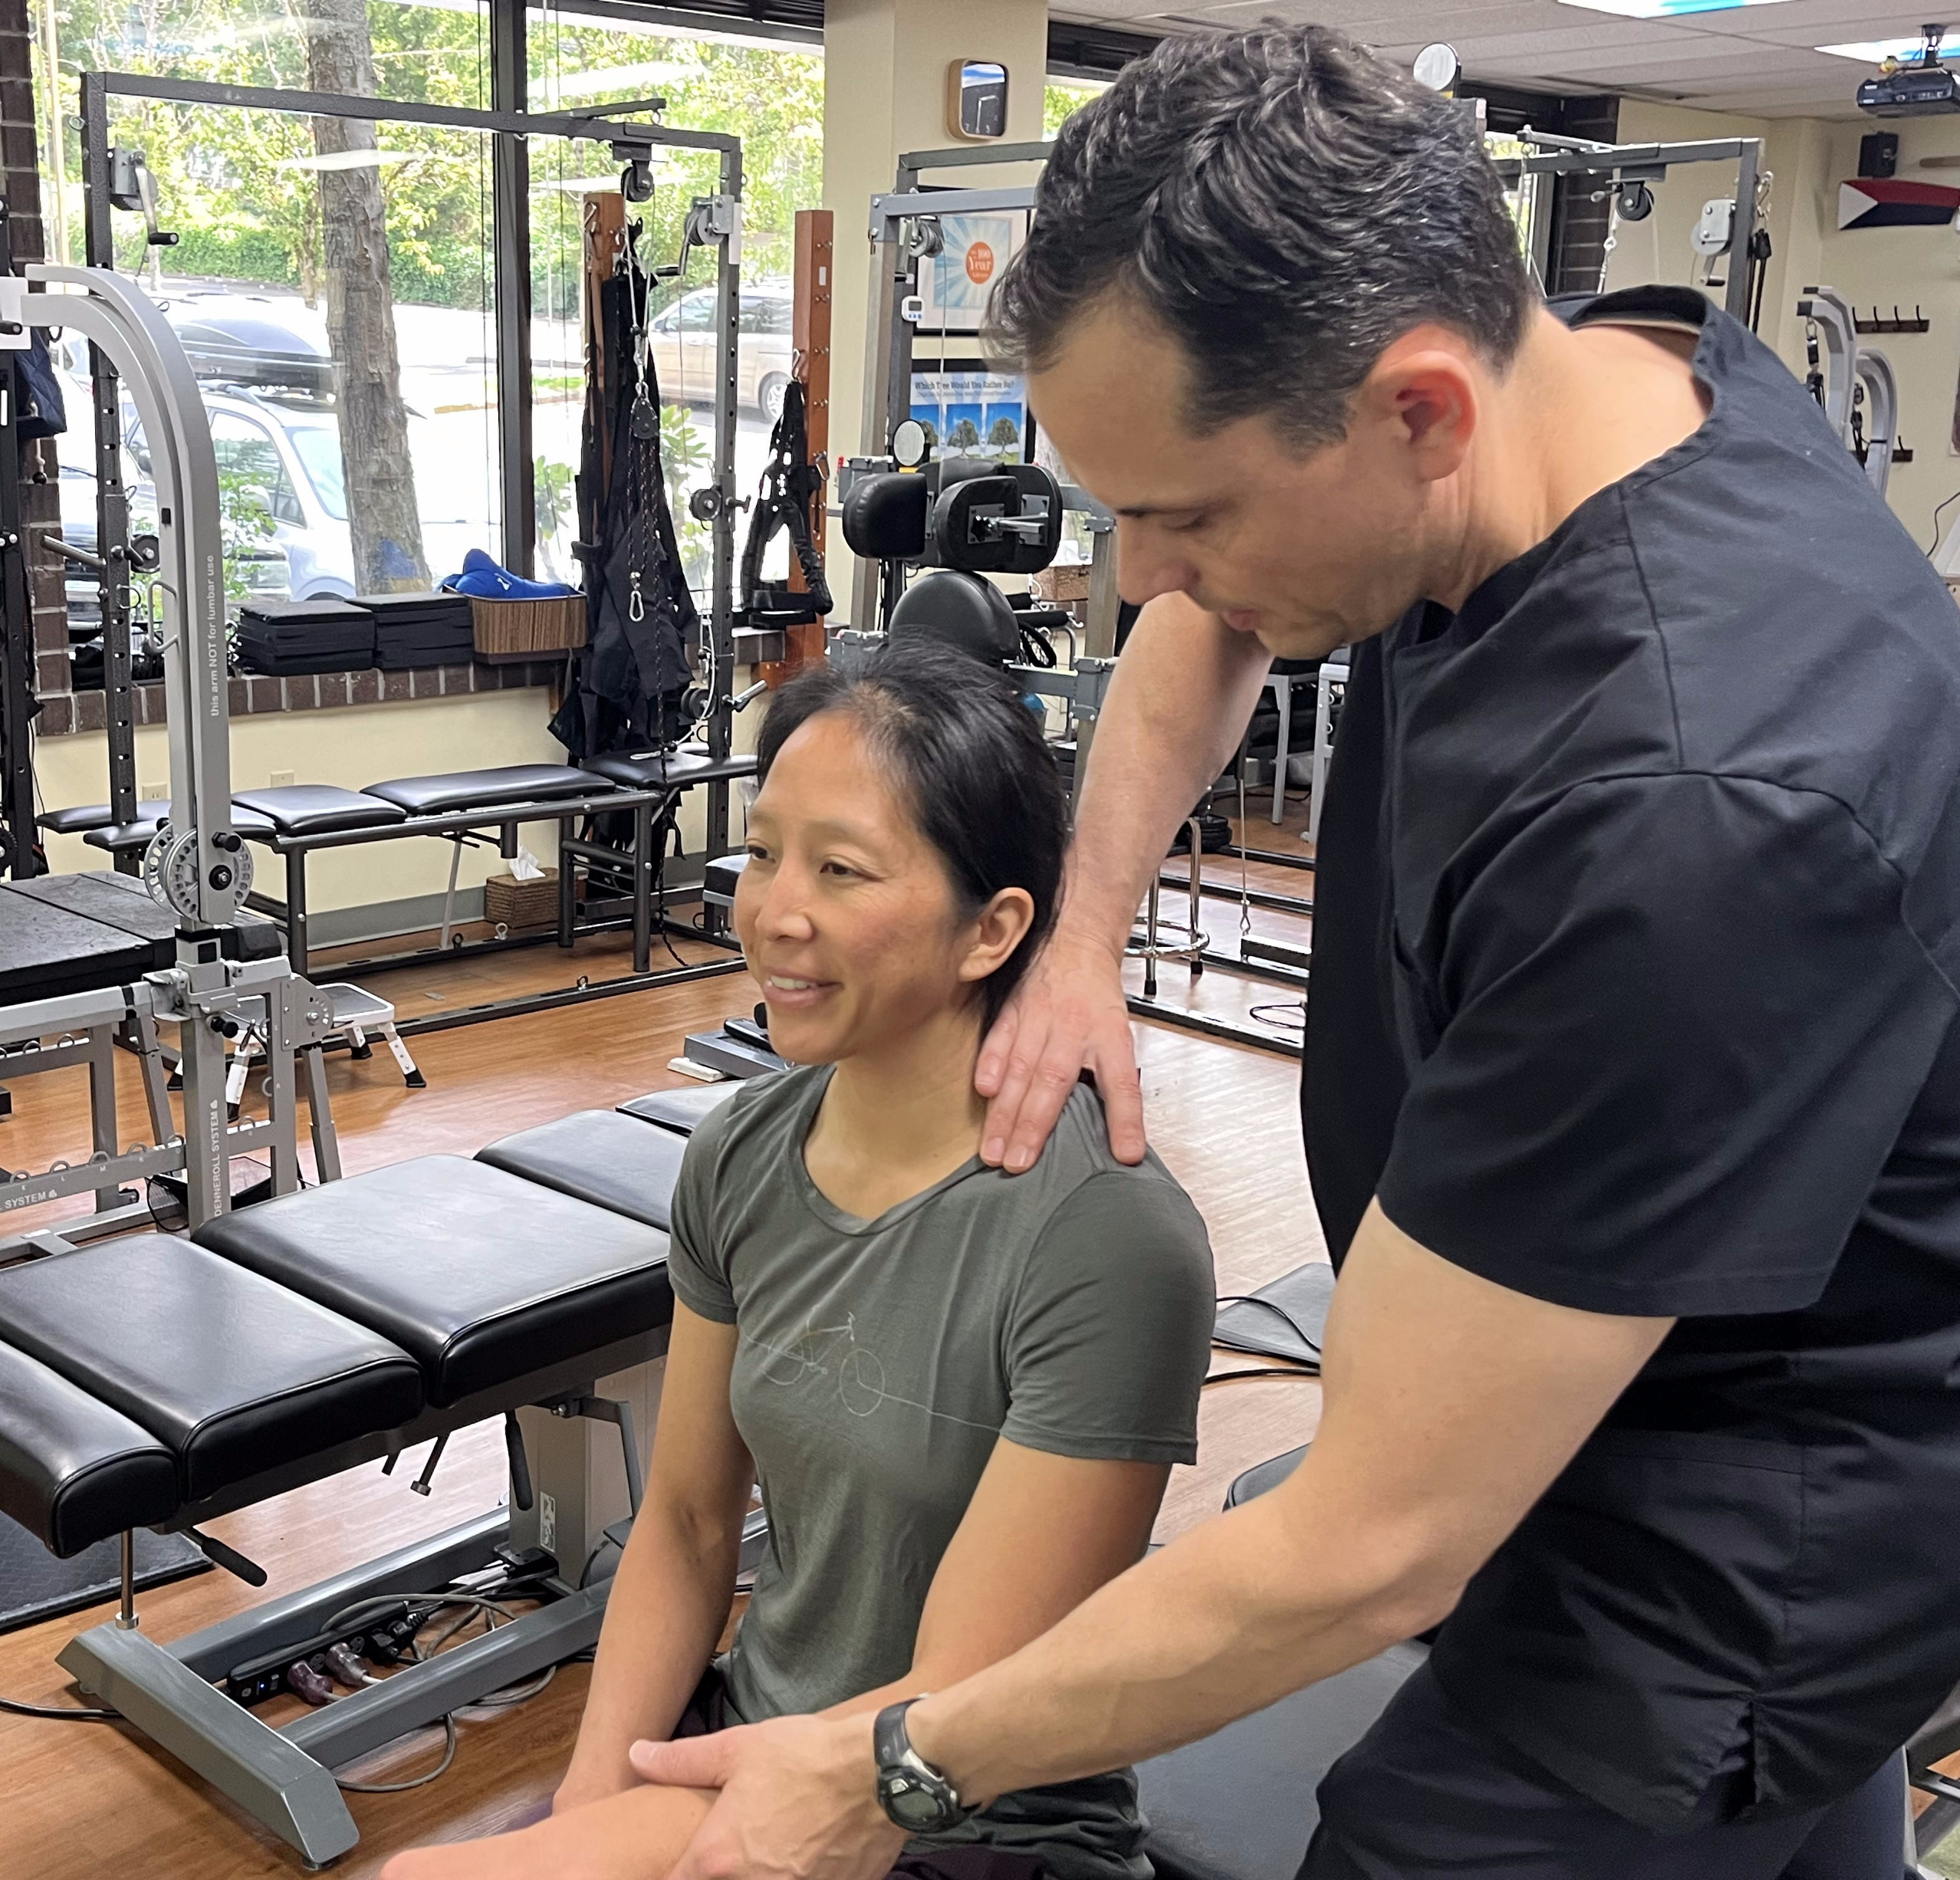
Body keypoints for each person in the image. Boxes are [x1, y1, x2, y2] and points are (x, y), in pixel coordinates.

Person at [622, 25, 1960, 1880]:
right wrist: (1086, 929)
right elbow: (1206, 637)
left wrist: (887, 1772)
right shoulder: (1615, 377)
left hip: (1727, 1528)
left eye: (1186, 517)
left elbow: (1373, 1539)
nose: (1150, 583)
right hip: (1627, 1351)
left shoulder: (1689, 806)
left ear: (1421, 409)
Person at [385, 642, 1215, 1880]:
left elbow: (950, 1707)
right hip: (751, 1739)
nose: (774, 911)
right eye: (763, 851)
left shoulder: (1107, 1240)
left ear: (992, 931)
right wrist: (591, 1794)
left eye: (841, 869)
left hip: (965, 1815)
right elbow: (679, 1520)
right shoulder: (740, 1155)